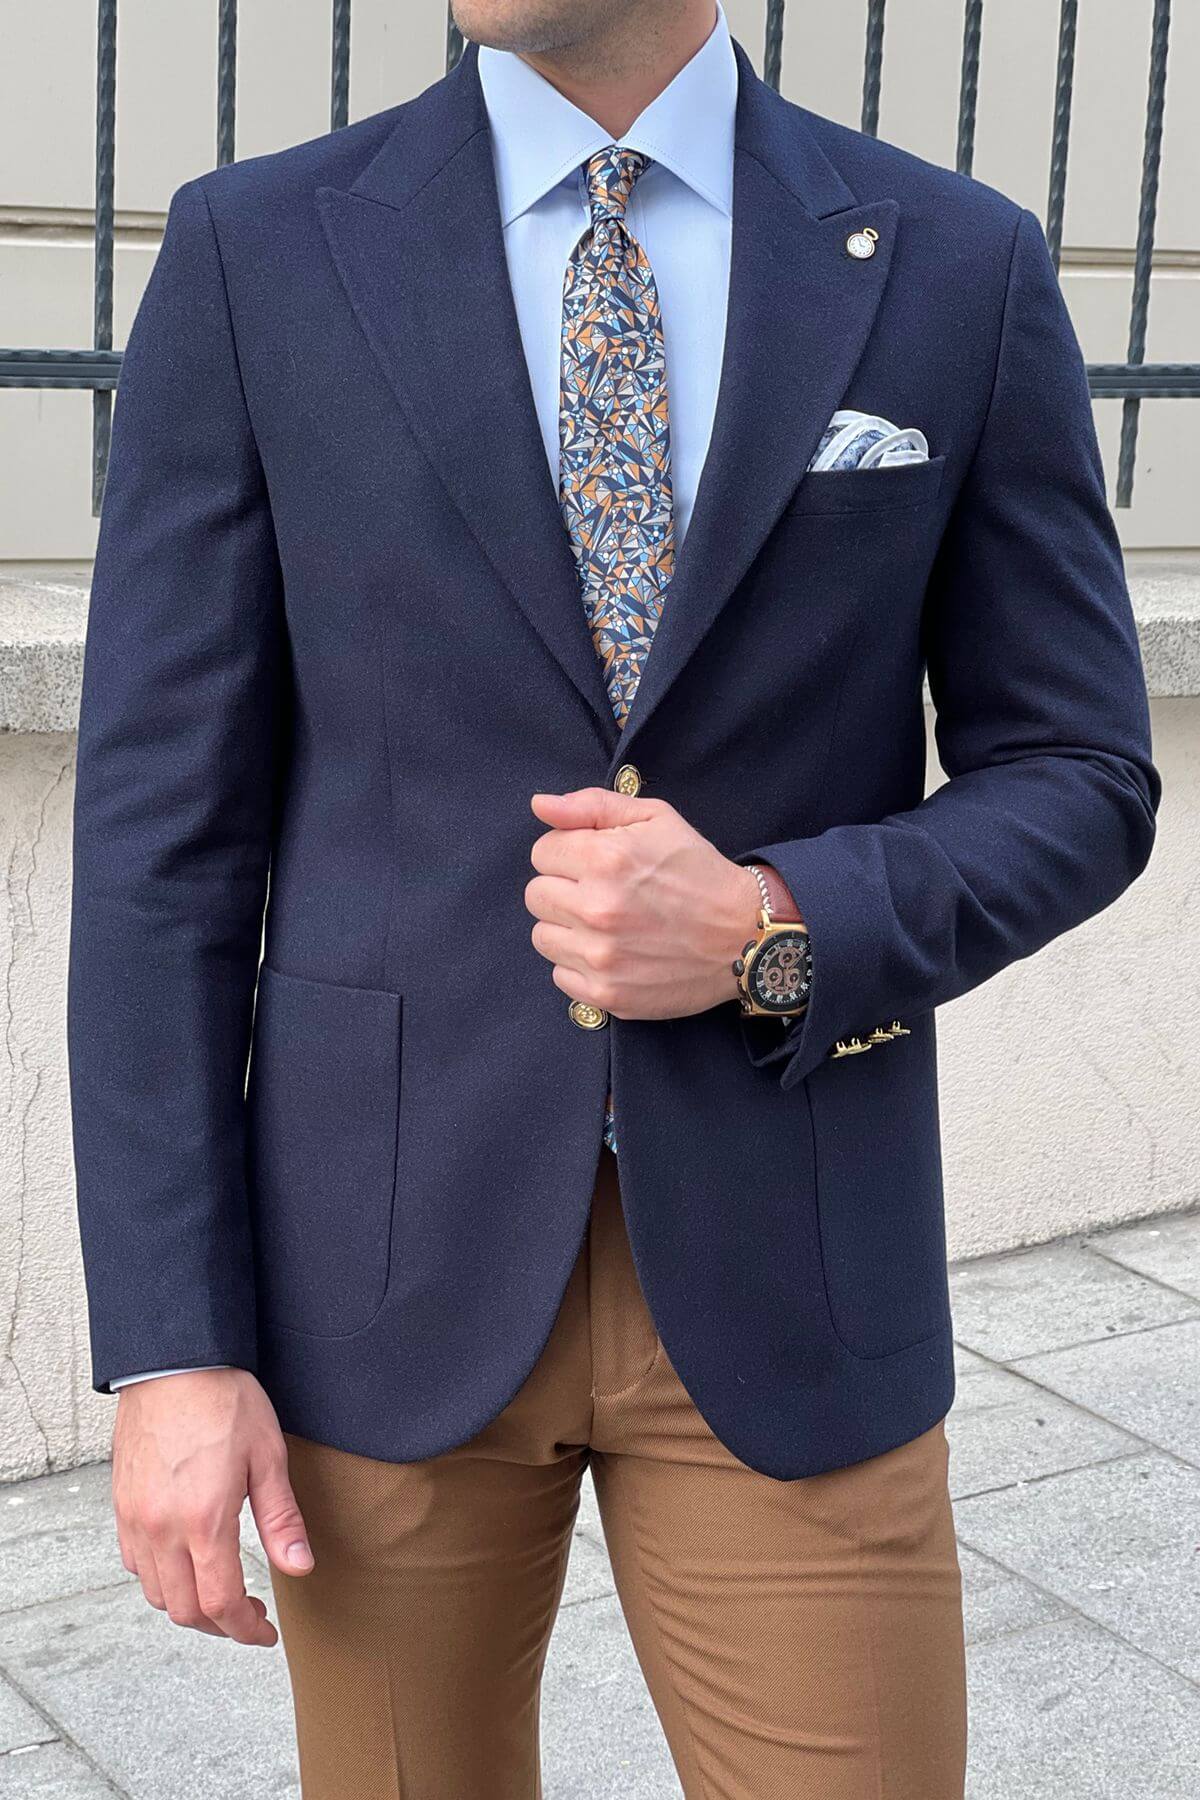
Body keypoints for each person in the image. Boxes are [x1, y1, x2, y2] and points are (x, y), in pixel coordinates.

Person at [66, 1, 1159, 1794]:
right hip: (379, 1278)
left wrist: (772, 920)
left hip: (796, 1264)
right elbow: (159, 844)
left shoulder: (956, 262)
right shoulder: (259, 249)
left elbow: (1086, 775)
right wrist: (173, 1348)